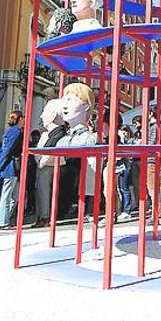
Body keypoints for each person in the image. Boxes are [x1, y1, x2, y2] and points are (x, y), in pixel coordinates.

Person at [55, 83, 97, 220]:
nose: (65, 105)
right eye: (64, 100)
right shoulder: (63, 140)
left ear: (86, 106)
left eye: (71, 100)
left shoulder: (88, 140)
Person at [33, 99, 67, 227]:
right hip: (48, 164)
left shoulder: (56, 134)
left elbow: (47, 151)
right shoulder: (51, 134)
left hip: (48, 165)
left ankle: (45, 216)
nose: (42, 116)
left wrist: (42, 161)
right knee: (44, 191)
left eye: (44, 112)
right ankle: (43, 215)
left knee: (45, 191)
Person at [0, 110, 25, 231]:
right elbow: (6, 150)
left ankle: (5, 219)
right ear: (19, 119)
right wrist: (0, 165)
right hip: (10, 167)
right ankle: (2, 222)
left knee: (14, 196)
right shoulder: (15, 132)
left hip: (12, 167)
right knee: (7, 196)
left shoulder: (14, 131)